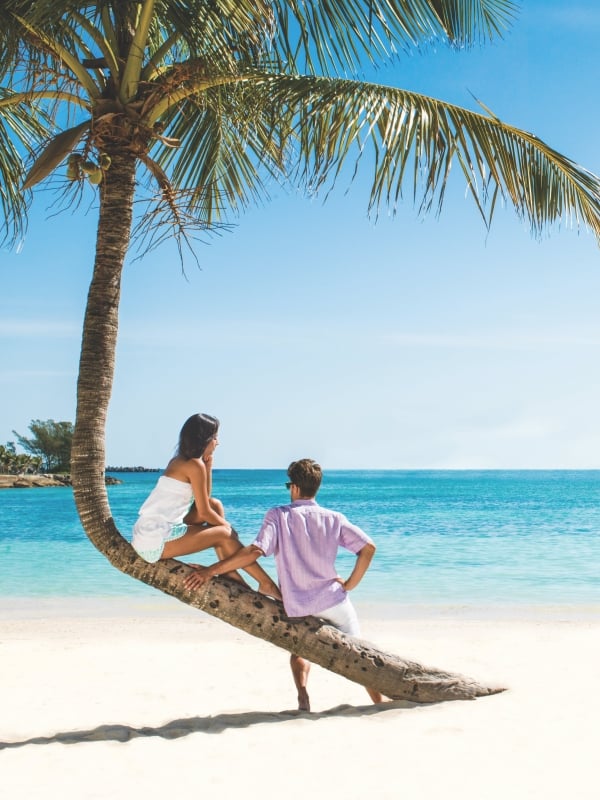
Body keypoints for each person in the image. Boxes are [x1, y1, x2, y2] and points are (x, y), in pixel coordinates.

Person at [184, 458, 383, 711]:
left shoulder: (278, 515)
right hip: (334, 602)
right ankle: (379, 702)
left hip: (296, 605)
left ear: (295, 488)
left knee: (299, 647)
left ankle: (303, 696)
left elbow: (255, 551)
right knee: (359, 653)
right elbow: (368, 548)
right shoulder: (334, 518)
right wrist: (350, 584)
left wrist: (212, 571)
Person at [131, 413, 281, 599]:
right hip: (155, 539)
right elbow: (203, 512)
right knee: (225, 534)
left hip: (153, 529)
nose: (217, 443)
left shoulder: (182, 461)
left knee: (216, 505)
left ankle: (230, 573)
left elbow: (205, 502)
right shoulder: (194, 465)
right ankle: (266, 584)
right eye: (216, 438)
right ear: (206, 440)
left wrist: (207, 467)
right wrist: (229, 529)